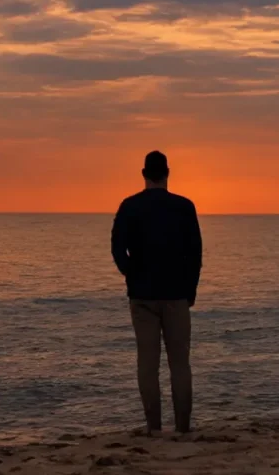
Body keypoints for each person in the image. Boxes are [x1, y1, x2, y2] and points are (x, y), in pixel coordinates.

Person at [111, 151, 202, 434]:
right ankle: (183, 428)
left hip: (143, 296)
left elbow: (117, 247)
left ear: (143, 173)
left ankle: (153, 428)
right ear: (168, 173)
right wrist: (190, 290)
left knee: (148, 364)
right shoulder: (184, 207)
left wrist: (131, 273)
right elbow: (195, 253)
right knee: (180, 364)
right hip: (176, 295)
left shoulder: (129, 206)